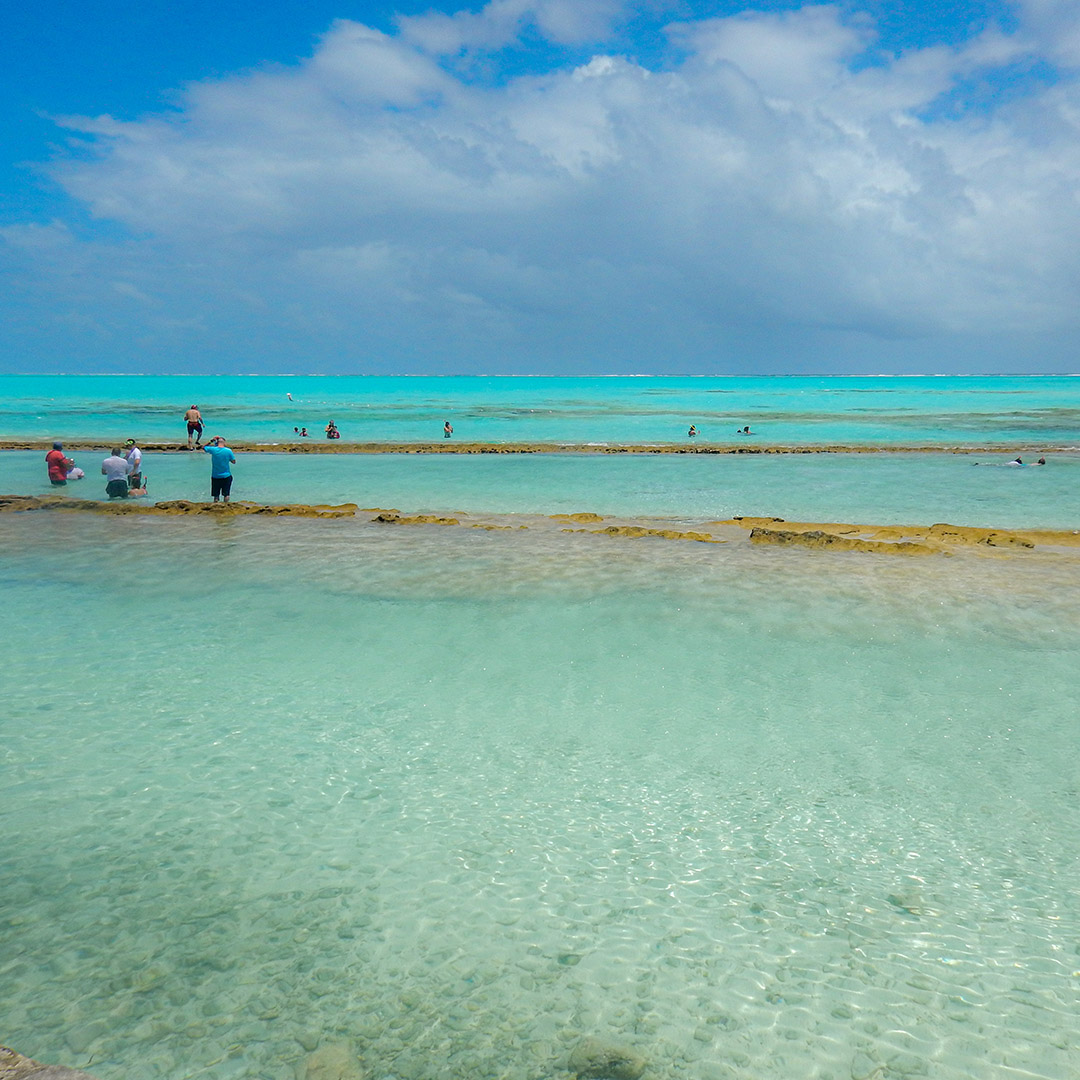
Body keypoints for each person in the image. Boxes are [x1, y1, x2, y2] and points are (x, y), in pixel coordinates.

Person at [204, 436, 236, 503]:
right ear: (224, 442)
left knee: (216, 495)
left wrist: (211, 441)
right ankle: (226, 505)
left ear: (216, 443)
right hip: (226, 475)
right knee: (226, 494)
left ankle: (215, 505)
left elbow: (203, 447)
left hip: (215, 476)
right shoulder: (228, 451)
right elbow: (233, 462)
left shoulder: (213, 450)